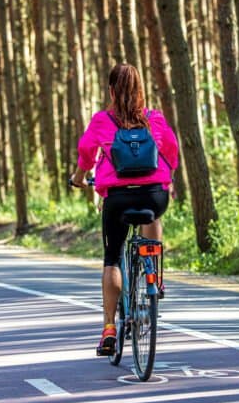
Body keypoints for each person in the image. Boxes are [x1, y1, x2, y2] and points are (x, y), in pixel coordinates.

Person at [71, 63, 179, 356]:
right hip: (154, 195)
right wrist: (167, 179)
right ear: (141, 90)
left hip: (118, 198)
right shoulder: (154, 118)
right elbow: (171, 149)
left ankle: (108, 328)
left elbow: (85, 154)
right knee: (153, 214)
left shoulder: (101, 120)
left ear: (111, 91)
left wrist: (79, 179)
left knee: (112, 260)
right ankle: (154, 273)